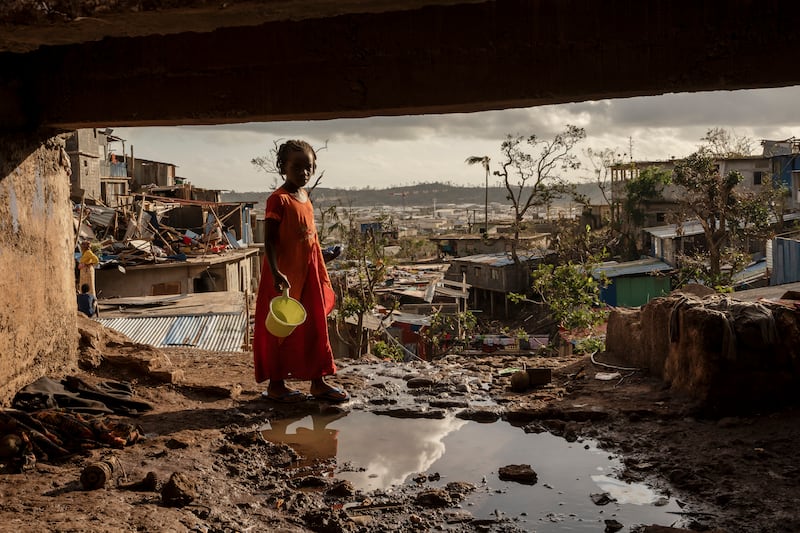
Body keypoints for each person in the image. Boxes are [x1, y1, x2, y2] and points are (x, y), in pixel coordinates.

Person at [253, 139, 348, 404]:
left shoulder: (305, 198)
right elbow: (269, 241)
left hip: (309, 275)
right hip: (284, 278)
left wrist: (323, 257)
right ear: (283, 167)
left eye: (308, 168)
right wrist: (275, 272)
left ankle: (318, 382)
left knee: (315, 327)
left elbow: (308, 239)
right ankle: (276, 385)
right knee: (280, 333)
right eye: (297, 167)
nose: (304, 173)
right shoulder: (278, 200)